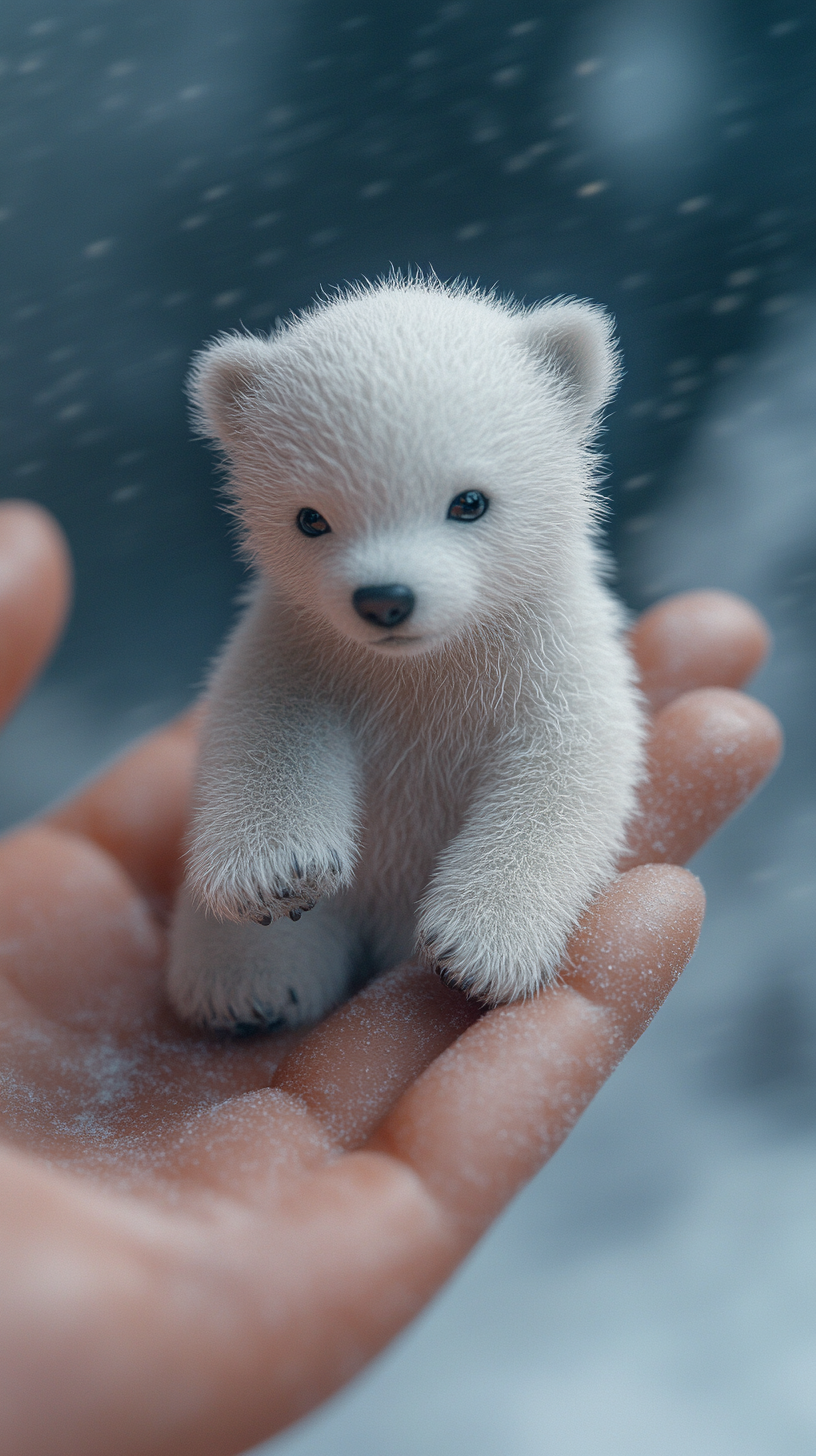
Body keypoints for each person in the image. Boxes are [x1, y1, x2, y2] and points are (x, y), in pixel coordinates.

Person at [0, 500, 781, 1456]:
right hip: (303, 921)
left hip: (428, 919)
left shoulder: (557, 634)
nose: (383, 576)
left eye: (466, 509)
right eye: (319, 522)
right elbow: (265, 743)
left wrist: (506, 909)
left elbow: (572, 765)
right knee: (250, 865)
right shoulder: (286, 637)